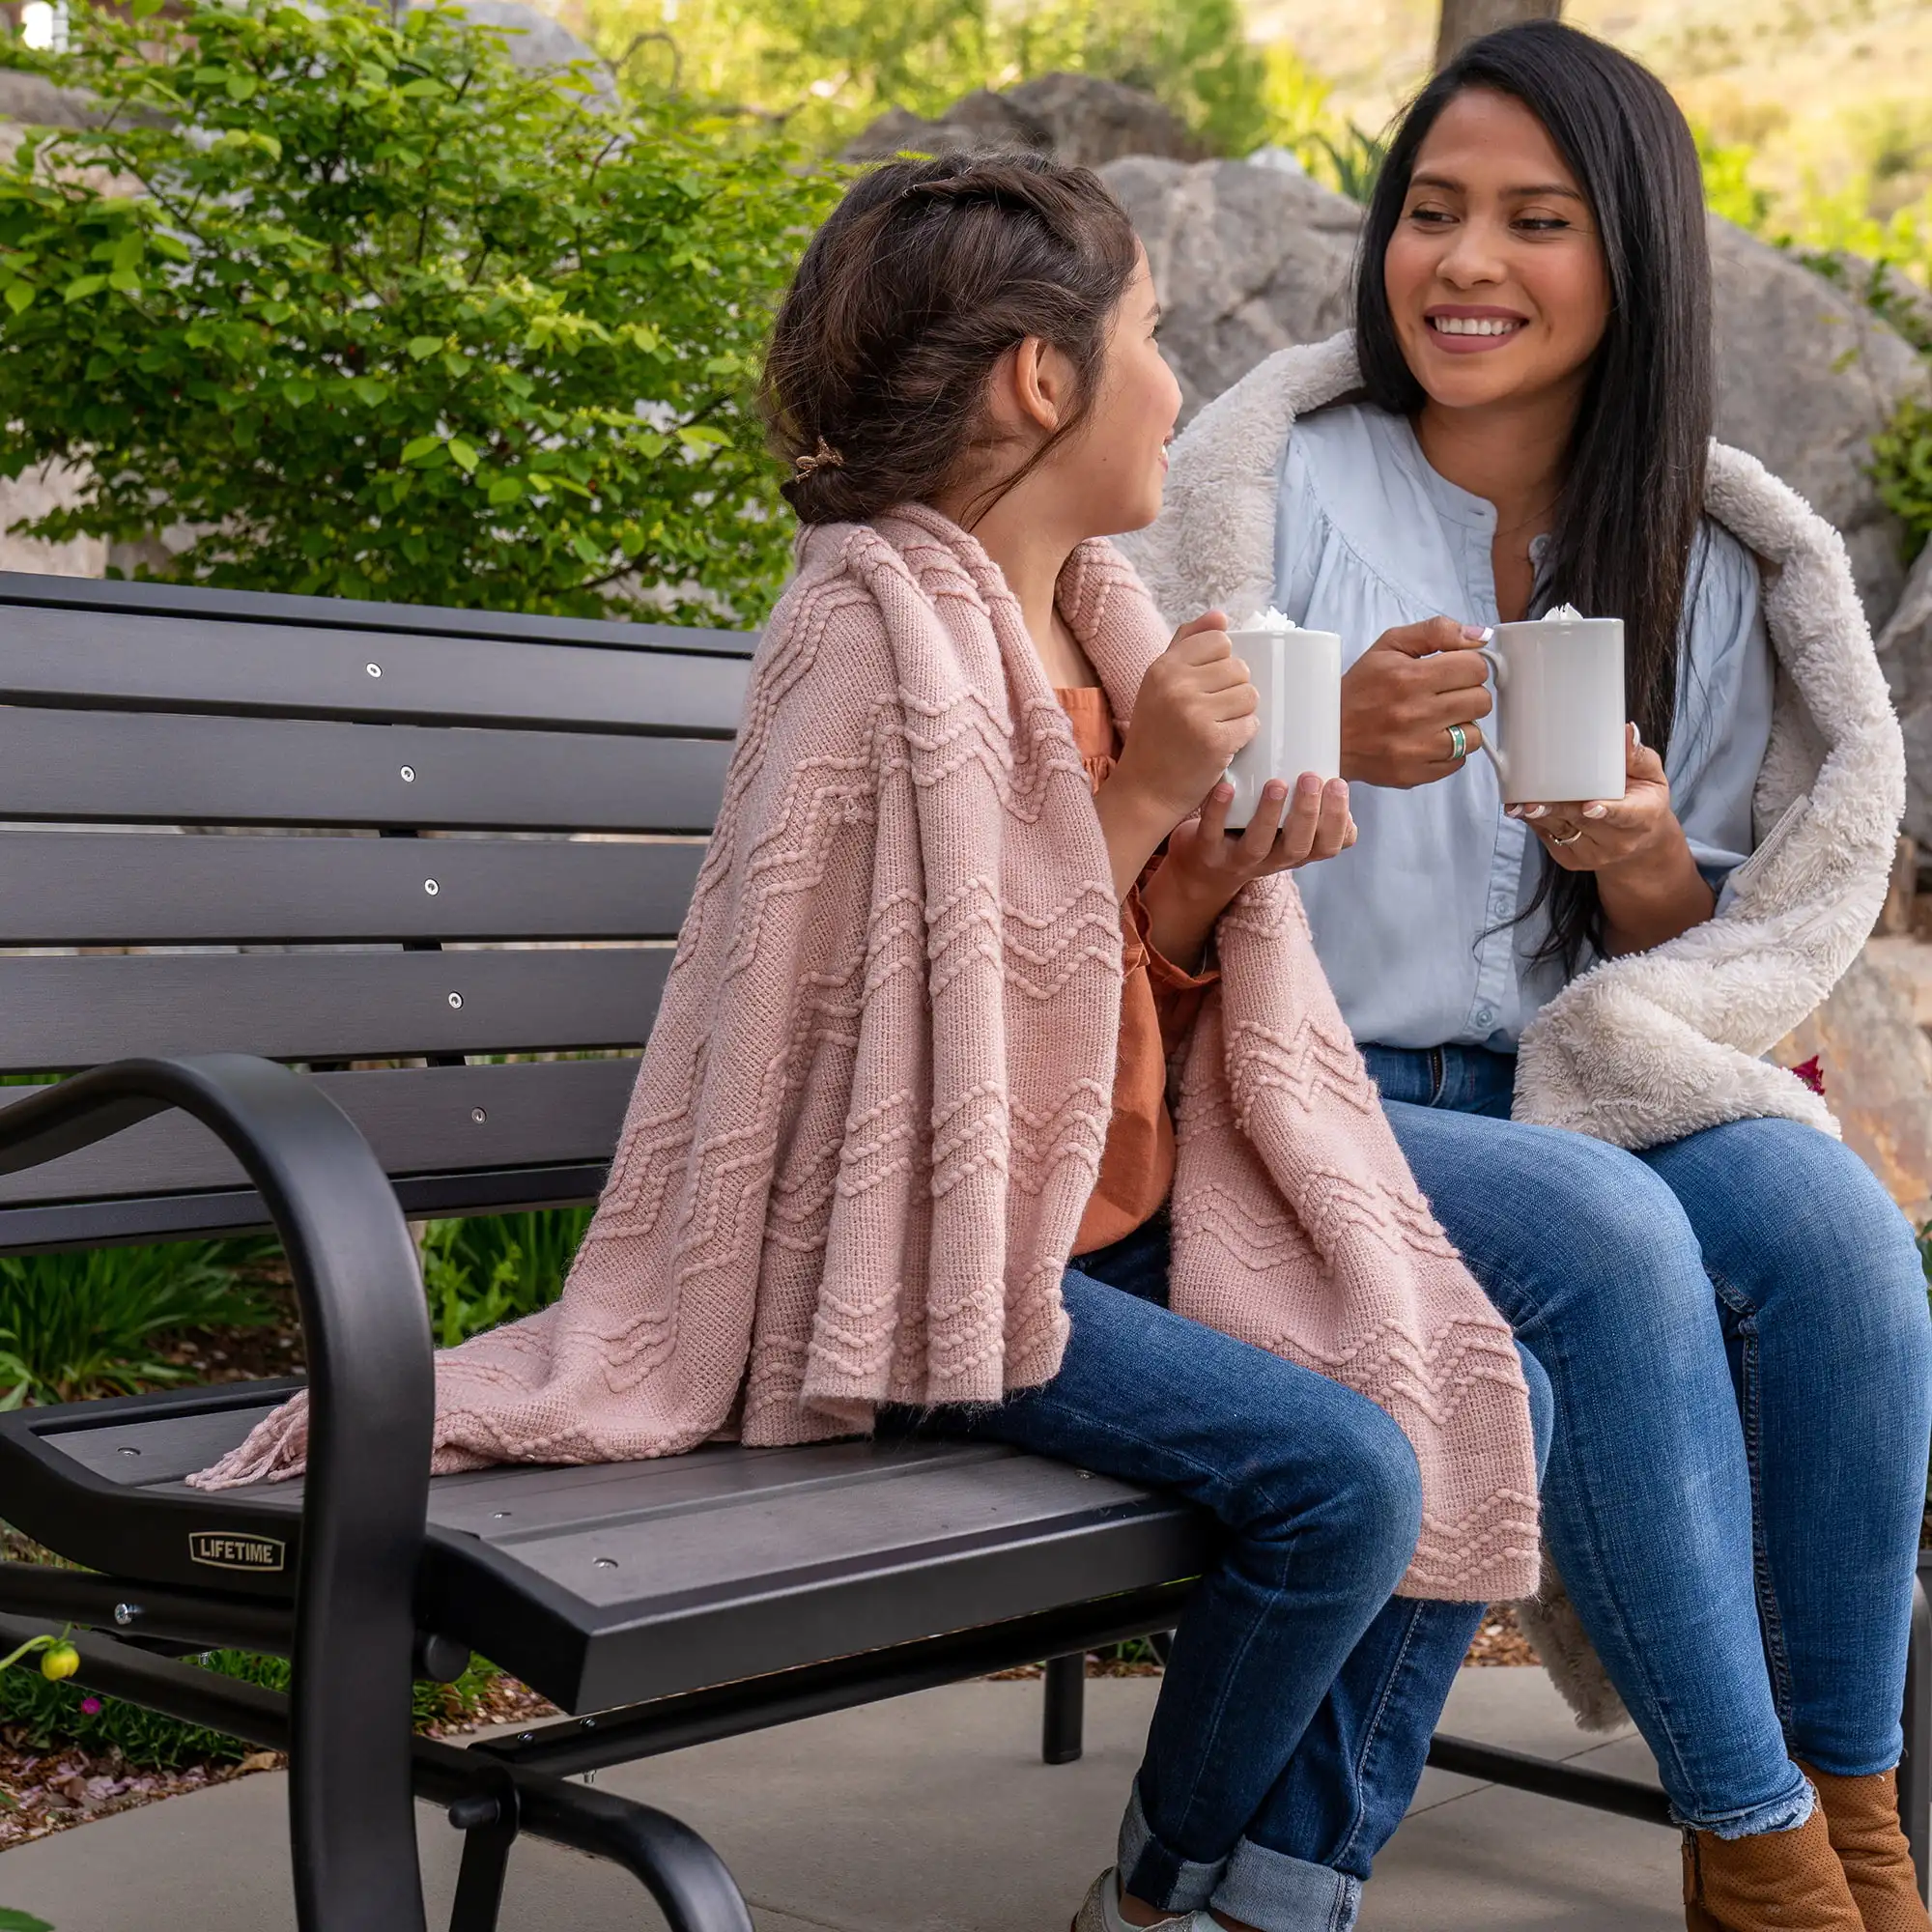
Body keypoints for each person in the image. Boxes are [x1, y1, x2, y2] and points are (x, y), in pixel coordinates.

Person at [1122, 21, 1932, 1932]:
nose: (1462, 261)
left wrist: (1640, 856)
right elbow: (1129, 771)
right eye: (1432, 210)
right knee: (1611, 1240)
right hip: (1307, 1090)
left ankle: (1856, 1801)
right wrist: (1338, 729)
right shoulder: (1276, 479)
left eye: (1532, 220)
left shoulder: (1707, 556)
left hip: (1568, 1076)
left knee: (1837, 1230)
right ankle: (1753, 1844)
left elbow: (1713, 953)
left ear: (1628, 258)